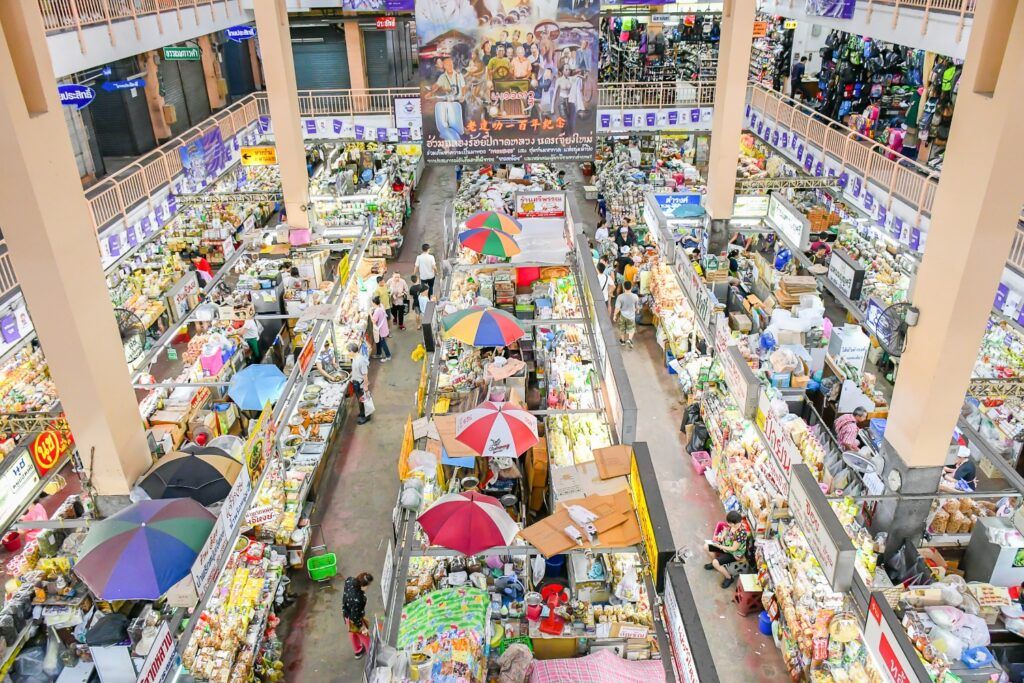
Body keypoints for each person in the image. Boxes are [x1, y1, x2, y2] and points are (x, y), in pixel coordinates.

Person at [704, 510, 751, 589]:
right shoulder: (733, 525)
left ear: (734, 523)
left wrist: (720, 547)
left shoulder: (741, 533)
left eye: (729, 523)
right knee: (706, 546)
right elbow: (726, 530)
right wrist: (723, 536)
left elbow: (734, 548)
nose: (728, 524)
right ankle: (716, 564)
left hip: (734, 553)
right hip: (725, 545)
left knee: (716, 562)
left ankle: (729, 578)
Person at [433, 57, 466, 142]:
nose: (450, 65)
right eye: (447, 64)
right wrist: (434, 88)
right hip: (448, 102)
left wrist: (463, 95)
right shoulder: (442, 77)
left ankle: (463, 133)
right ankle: (447, 137)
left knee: (462, 121)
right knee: (445, 120)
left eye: (451, 63)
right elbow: (437, 85)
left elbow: (463, 86)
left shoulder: (458, 75)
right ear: (444, 66)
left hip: (459, 101)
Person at [342, 572, 374, 658]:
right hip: (354, 618)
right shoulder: (359, 599)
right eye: (368, 585)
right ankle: (371, 654)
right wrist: (362, 628)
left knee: (352, 633)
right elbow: (355, 617)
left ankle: (358, 651)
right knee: (365, 636)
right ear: (363, 586)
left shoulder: (350, 580)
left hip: (346, 614)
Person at [348, 342, 371, 425]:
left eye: (349, 351)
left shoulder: (361, 361)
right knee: (359, 400)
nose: (348, 353)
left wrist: (365, 386)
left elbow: (365, 374)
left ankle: (366, 416)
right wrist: (349, 376)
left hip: (361, 384)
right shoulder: (354, 358)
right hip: (356, 383)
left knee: (364, 400)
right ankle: (362, 413)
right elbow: (354, 369)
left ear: (352, 351)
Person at [613, 280, 640, 347]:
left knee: (622, 328)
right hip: (631, 316)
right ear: (631, 287)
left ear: (624, 287)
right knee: (631, 329)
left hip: (623, 315)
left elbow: (617, 308)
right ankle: (629, 340)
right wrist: (637, 311)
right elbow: (637, 306)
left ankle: (622, 341)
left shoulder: (620, 297)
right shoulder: (635, 296)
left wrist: (614, 315)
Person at [371, 296, 392, 362]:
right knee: (379, 341)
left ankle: (388, 356)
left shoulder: (377, 311)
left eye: (372, 302)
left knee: (383, 342)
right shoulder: (381, 306)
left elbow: (373, 321)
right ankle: (379, 353)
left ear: (374, 303)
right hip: (384, 327)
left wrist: (370, 313)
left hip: (381, 330)